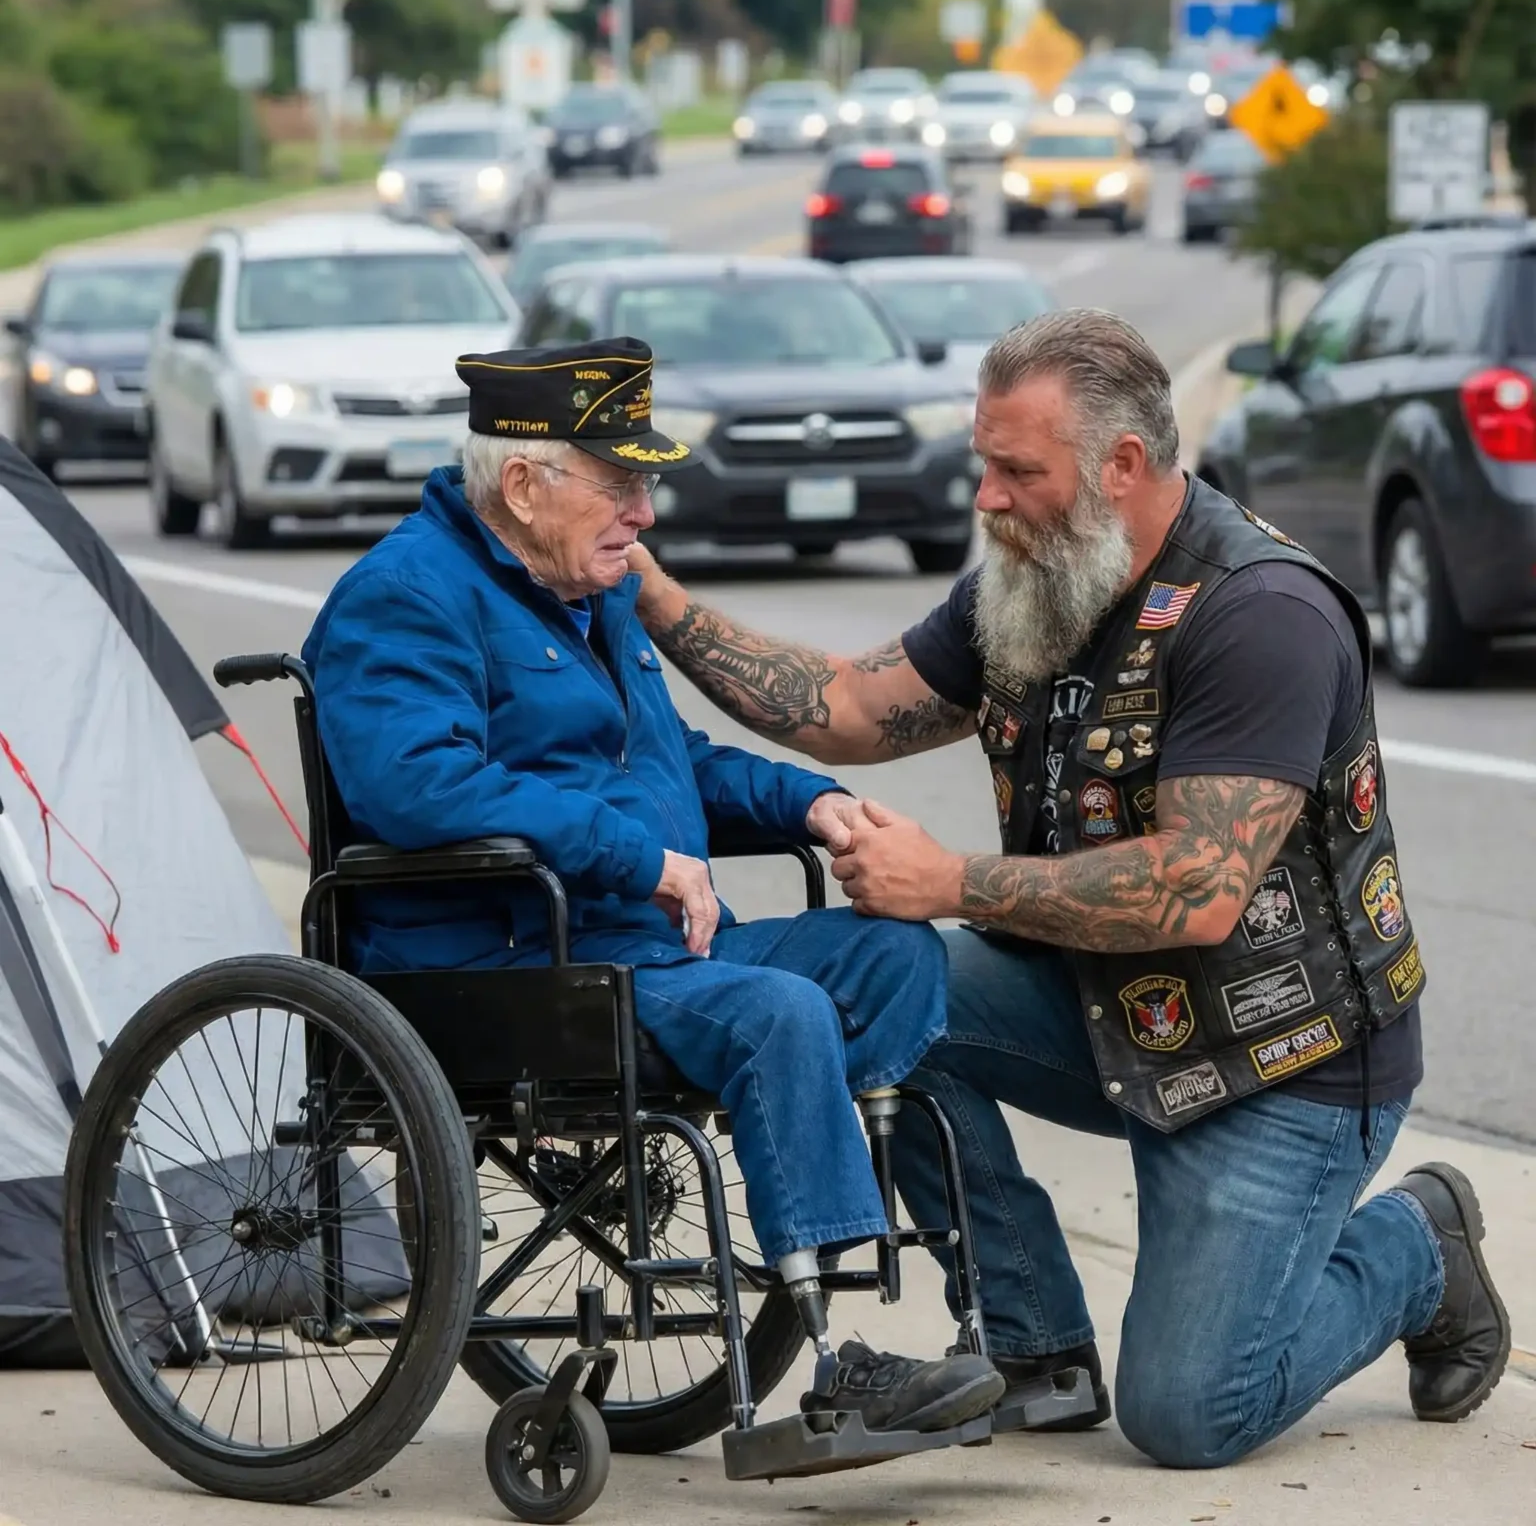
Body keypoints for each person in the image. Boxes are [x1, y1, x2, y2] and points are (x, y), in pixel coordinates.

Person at [624, 308, 1510, 1467]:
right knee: (875, 987)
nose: (985, 497)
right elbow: (846, 708)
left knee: (1192, 1413)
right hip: (1102, 1011)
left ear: (1123, 466)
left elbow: (1197, 891)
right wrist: (649, 596)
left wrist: (946, 882)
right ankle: (1032, 1342)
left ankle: (1416, 1246)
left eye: (1015, 470)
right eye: (983, 462)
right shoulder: (1031, 579)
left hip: (1281, 1066)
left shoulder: (1264, 615)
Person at [300, 335, 1004, 1437]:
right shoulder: (402, 597)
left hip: (643, 954)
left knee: (896, 951)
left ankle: (815, 1200)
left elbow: (670, 766)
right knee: (779, 1012)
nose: (646, 513)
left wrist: (812, 804)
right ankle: (833, 1361)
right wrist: (637, 859)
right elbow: (416, 789)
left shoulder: (591, 593)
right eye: (621, 482)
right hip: (507, 967)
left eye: (647, 482)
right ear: (526, 484)